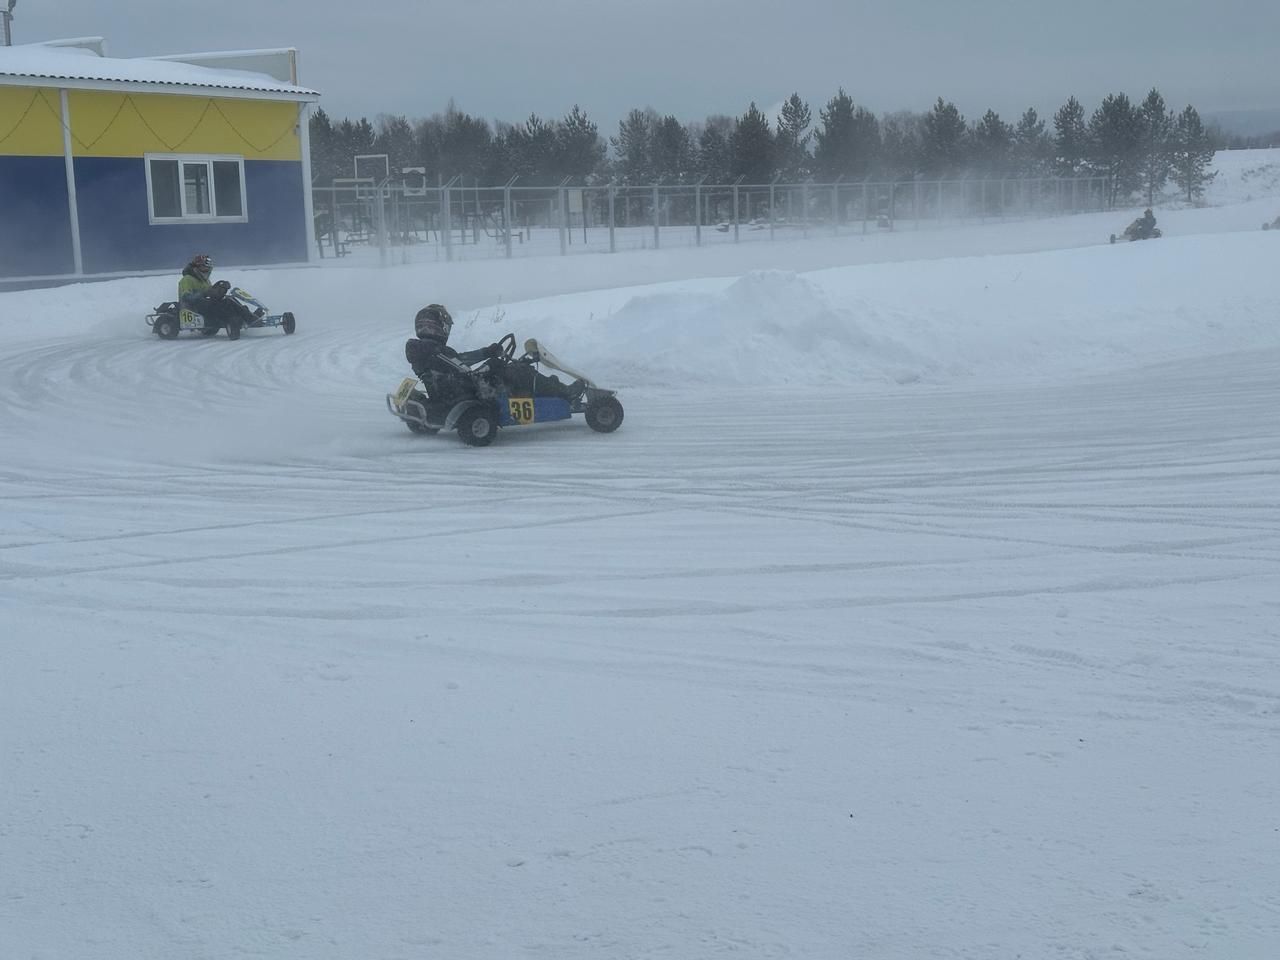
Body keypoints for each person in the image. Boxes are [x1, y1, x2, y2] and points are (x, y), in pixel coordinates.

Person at [404, 303, 583, 401]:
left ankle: (552, 388)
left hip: (457, 388)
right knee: (522, 371)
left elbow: (458, 361)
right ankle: (563, 393)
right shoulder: (433, 350)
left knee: (506, 366)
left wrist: (486, 353)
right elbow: (462, 367)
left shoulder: (425, 350)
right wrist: (491, 363)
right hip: (471, 392)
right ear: (437, 327)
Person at [178, 254, 256, 332]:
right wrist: (204, 293)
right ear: (198, 267)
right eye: (205, 267)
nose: (208, 269)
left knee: (229, 299)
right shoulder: (187, 279)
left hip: (205, 304)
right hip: (195, 307)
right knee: (227, 302)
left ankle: (246, 316)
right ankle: (247, 319)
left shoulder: (205, 281)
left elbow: (210, 293)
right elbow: (186, 297)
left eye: (208, 268)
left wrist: (218, 290)